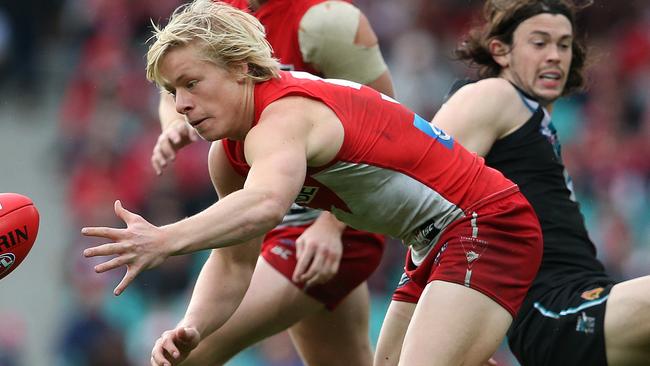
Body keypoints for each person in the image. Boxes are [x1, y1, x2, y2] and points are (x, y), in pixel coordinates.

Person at [81, 1, 543, 365]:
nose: (180, 105)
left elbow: (265, 205)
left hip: (485, 224)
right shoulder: (228, 154)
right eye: (171, 91)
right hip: (432, 244)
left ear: (241, 67)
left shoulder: (283, 115)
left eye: (191, 83)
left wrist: (165, 239)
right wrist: (194, 327)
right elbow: (235, 261)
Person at [376, 1, 650, 366]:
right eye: (540, 43)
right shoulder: (492, 96)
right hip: (554, 312)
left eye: (564, 44)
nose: (555, 56)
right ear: (500, 51)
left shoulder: (539, 124)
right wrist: (433, 329)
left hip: (583, 302)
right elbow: (422, 200)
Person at [149, 0, 394, 364]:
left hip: (336, 218)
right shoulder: (211, 14)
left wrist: (331, 227)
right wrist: (174, 125)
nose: (182, 100)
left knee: (186, 358)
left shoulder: (326, 22)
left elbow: (385, 126)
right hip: (280, 213)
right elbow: (171, 84)